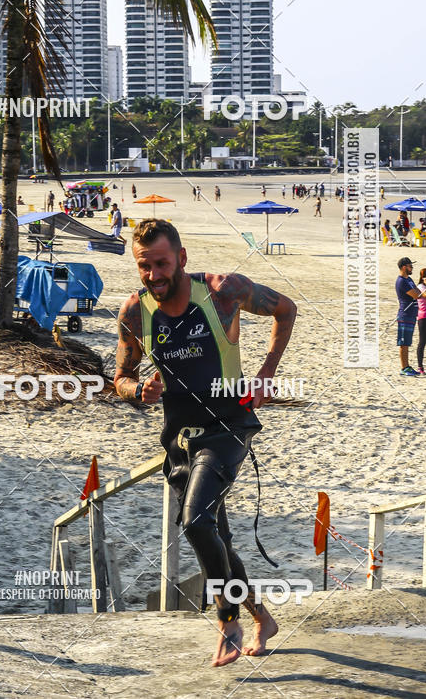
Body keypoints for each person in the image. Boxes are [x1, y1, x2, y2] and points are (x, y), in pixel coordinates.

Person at [114, 219, 297, 666]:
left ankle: (227, 619)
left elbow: (286, 309)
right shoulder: (135, 312)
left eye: (162, 263)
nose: (155, 274)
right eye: (145, 266)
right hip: (179, 441)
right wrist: (139, 392)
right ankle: (263, 618)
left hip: (229, 424)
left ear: (181, 257)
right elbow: (120, 377)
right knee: (218, 540)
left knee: (196, 523)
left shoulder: (222, 292)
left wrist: (268, 370)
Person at [395, 257, 421, 376]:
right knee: (404, 342)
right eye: (410, 266)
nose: (412, 268)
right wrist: (419, 293)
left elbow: (417, 292)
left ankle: (407, 366)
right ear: (404, 267)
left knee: (408, 341)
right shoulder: (401, 281)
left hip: (412, 314)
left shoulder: (409, 279)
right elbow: (416, 295)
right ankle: (404, 367)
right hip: (405, 314)